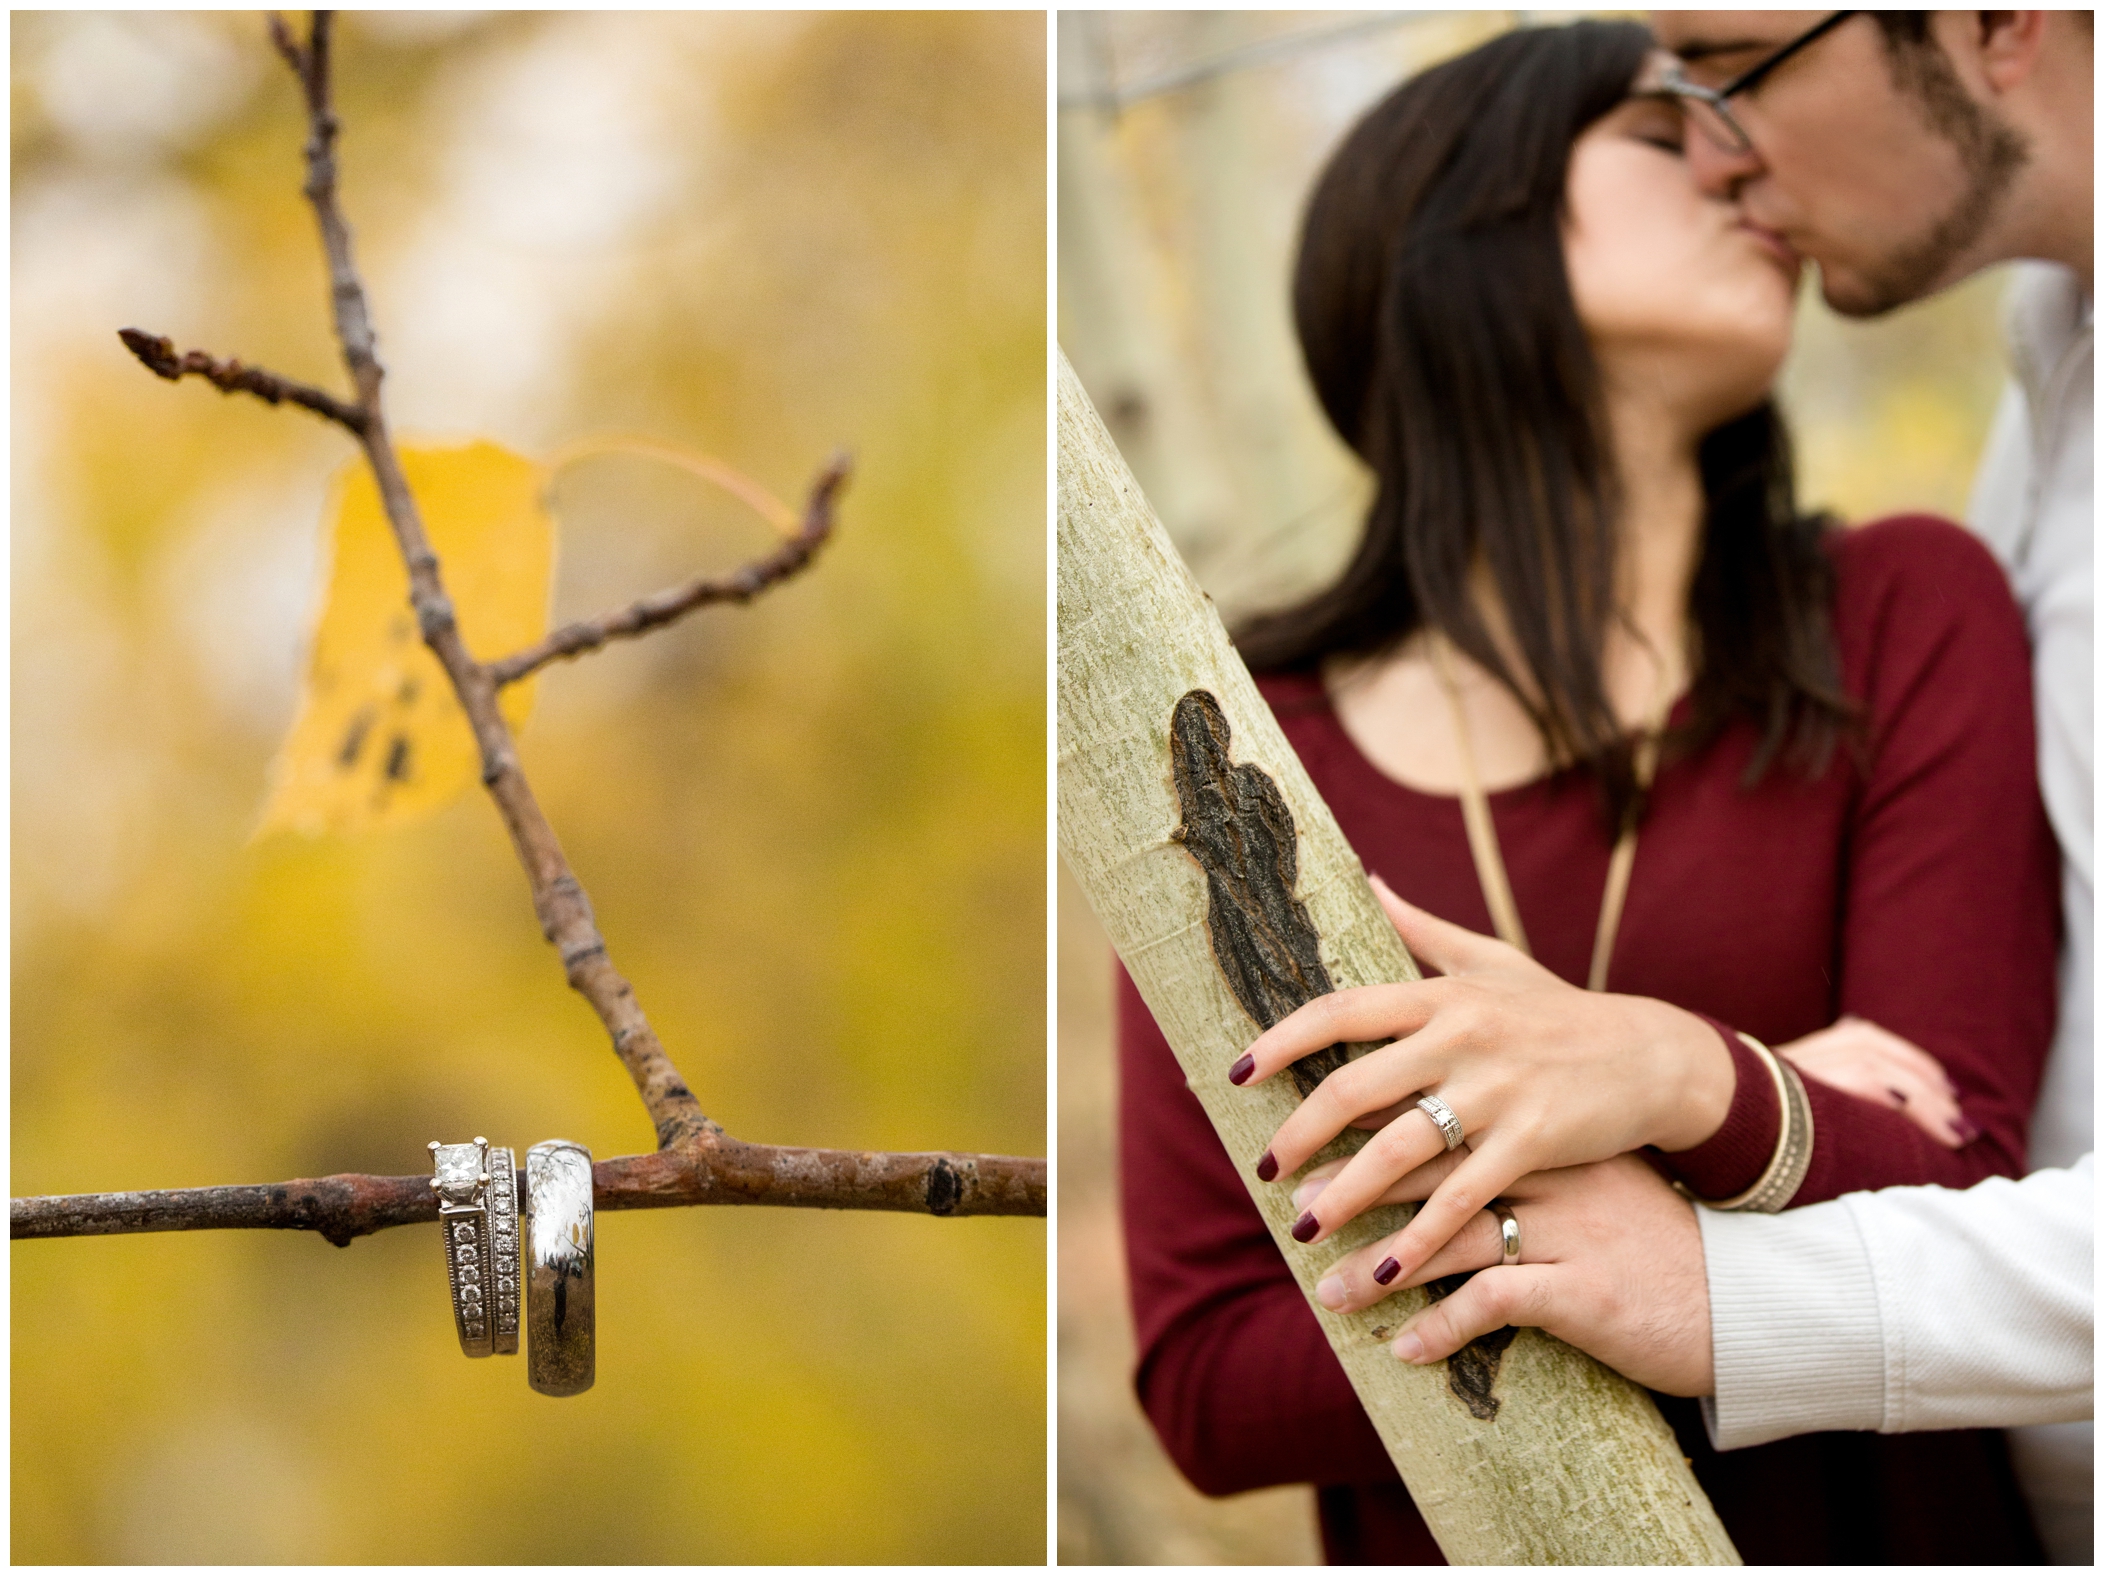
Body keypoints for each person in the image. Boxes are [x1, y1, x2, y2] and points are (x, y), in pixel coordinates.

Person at [1118, 17, 2061, 1565]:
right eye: (1654, 129)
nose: (1735, 156)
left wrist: (1669, 1074)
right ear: (1455, 231)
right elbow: (1214, 1375)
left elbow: (1968, 1181)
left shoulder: (1907, 615)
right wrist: (1727, 1154)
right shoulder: (1237, 753)